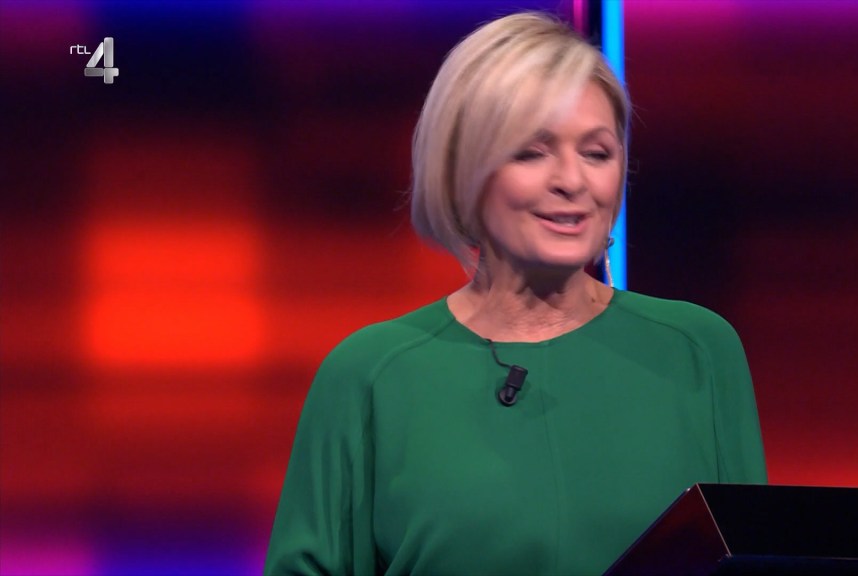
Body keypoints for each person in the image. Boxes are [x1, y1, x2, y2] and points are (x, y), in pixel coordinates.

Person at [265, 11, 766, 576]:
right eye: (532, 152)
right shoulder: (370, 375)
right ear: (463, 172)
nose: (572, 181)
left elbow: (751, 561)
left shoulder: (698, 351)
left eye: (596, 153)